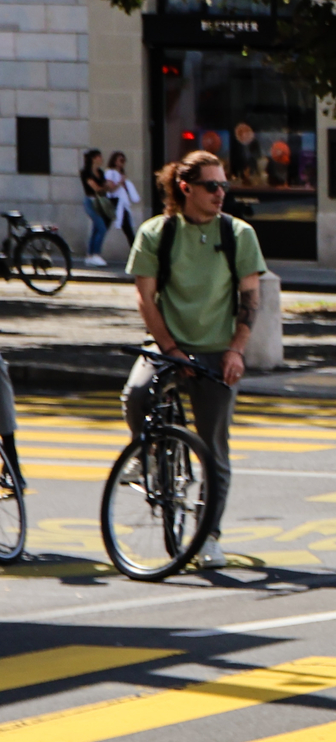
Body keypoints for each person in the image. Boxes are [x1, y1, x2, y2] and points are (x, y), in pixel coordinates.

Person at [127, 149, 261, 571]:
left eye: (224, 185)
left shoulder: (238, 234)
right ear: (185, 188)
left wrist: (236, 349)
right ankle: (146, 452)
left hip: (218, 351)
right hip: (168, 343)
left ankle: (210, 536)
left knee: (214, 449)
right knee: (134, 392)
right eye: (211, 186)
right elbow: (145, 298)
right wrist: (170, 348)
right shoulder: (157, 232)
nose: (221, 193)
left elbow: (251, 297)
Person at [78, 149, 111, 265]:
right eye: (99, 157)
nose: (101, 159)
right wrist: (105, 186)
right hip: (91, 202)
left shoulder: (100, 172)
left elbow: (104, 186)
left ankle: (90, 255)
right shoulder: (85, 172)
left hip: (100, 201)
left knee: (96, 229)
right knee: (101, 228)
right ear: (94, 158)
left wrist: (105, 186)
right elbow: (96, 188)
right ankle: (96, 254)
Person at [103, 151, 142, 250]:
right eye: (121, 160)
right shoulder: (110, 173)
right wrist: (120, 182)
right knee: (104, 227)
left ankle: (135, 251)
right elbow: (111, 189)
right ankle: (94, 251)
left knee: (128, 229)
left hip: (122, 204)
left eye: (124, 161)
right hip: (113, 201)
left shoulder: (121, 174)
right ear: (115, 161)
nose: (123, 163)